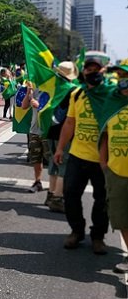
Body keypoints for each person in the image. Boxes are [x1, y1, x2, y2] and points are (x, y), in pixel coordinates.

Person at [54, 56, 109, 254]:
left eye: (96, 69)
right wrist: (60, 148)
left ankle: (98, 237)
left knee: (102, 200)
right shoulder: (77, 94)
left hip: (103, 159)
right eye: (88, 69)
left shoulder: (111, 95)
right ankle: (77, 230)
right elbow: (69, 123)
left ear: (102, 71)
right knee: (70, 194)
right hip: (77, 155)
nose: (92, 72)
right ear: (83, 73)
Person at [99, 61, 128, 273]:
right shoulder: (111, 102)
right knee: (120, 217)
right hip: (116, 171)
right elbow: (105, 135)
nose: (122, 80)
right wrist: (104, 162)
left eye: (125, 76)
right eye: (120, 76)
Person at [44, 61, 79, 213]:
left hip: (49, 130)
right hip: (64, 132)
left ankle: (50, 194)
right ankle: (58, 199)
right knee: (63, 165)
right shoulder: (72, 90)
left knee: (53, 162)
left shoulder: (52, 86)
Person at [21, 82, 49, 193]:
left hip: (47, 131)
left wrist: (39, 106)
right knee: (36, 158)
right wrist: (28, 93)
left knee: (52, 160)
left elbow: (54, 108)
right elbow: (24, 106)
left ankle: (57, 187)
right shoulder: (35, 90)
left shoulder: (51, 89)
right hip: (34, 131)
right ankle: (38, 182)